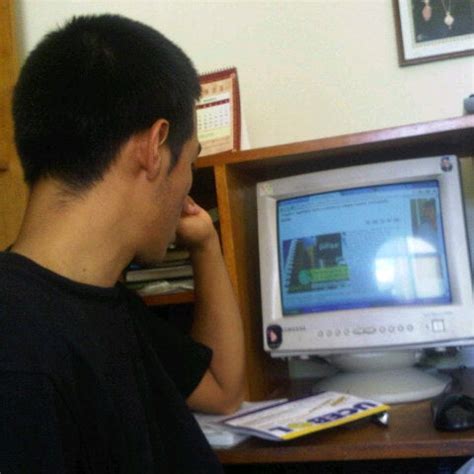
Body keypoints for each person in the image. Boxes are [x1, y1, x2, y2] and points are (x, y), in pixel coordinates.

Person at [0, 14, 244, 473]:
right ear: (155, 147)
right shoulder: (17, 360)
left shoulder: (107, 305)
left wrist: (206, 245)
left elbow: (223, 390)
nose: (187, 187)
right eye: (190, 161)